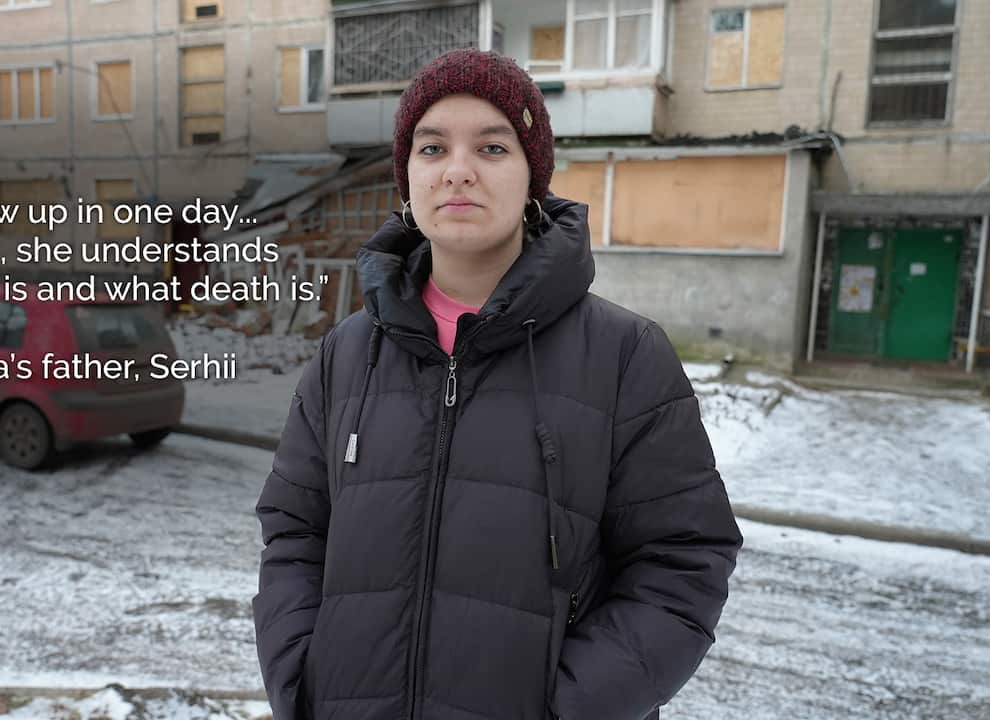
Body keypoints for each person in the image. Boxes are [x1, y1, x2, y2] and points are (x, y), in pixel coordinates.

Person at [253, 48, 742, 720]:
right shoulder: (345, 356)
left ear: (532, 175)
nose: (458, 171)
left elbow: (683, 562)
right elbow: (294, 535)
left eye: (491, 146)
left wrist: (568, 708)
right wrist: (301, 679)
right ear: (407, 178)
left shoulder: (627, 355)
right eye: (431, 149)